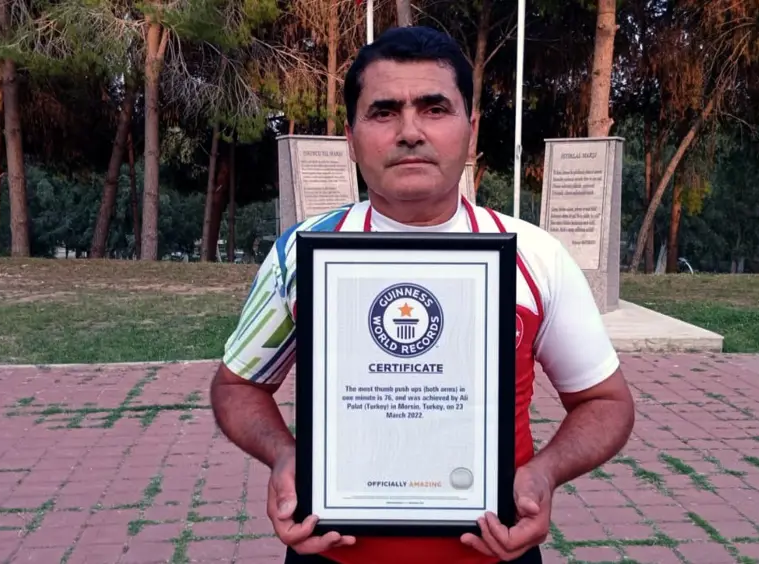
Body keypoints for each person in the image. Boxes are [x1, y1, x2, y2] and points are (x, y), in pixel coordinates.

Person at [209, 25, 635, 564]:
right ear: (351, 136)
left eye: (434, 109)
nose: (410, 132)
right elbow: (237, 386)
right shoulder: (301, 255)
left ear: (471, 130)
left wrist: (545, 473)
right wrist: (283, 456)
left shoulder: (535, 257)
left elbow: (606, 402)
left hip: (494, 551)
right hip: (330, 552)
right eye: (384, 112)